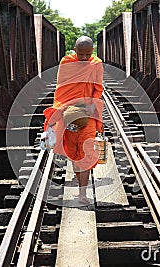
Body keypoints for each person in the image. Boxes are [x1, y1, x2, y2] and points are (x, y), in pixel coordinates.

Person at [43, 36, 104, 204]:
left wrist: (93, 104)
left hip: (88, 116)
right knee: (74, 154)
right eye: (81, 54)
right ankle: (81, 190)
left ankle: (82, 193)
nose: (84, 58)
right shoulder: (66, 62)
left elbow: (98, 87)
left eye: (87, 55)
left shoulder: (96, 64)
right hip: (69, 114)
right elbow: (62, 88)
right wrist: (64, 109)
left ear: (92, 51)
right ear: (74, 50)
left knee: (85, 153)